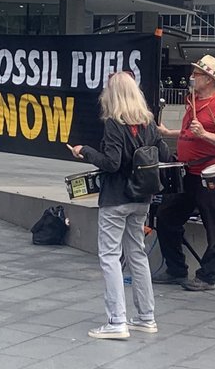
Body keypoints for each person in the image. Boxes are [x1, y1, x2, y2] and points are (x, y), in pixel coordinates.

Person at [69, 72, 166, 340]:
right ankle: (146, 317)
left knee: (110, 257)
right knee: (137, 254)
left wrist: (85, 151)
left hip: (115, 198)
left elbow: (111, 162)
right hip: (141, 198)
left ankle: (116, 321)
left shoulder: (114, 124)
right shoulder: (148, 123)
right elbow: (165, 154)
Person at [154, 54, 215, 291]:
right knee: (167, 216)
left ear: (210, 79)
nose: (192, 78)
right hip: (188, 171)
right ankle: (176, 269)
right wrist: (169, 132)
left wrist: (204, 135)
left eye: (197, 74)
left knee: (213, 225)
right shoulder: (192, 101)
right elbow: (189, 133)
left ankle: (208, 276)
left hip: (209, 171)